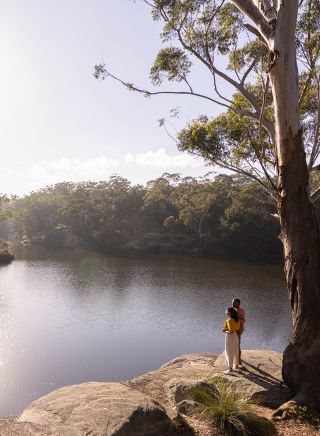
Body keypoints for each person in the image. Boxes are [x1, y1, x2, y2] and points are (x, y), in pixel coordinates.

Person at [223, 307, 240, 374]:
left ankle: (230, 370)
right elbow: (236, 328)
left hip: (230, 337)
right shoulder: (237, 319)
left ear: (230, 313)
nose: (226, 313)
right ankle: (236, 365)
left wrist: (224, 331)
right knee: (236, 350)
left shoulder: (230, 320)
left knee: (229, 352)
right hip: (235, 336)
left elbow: (231, 331)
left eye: (227, 312)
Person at [232, 298, 246, 367]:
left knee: (237, 345)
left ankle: (238, 361)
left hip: (238, 330)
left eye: (234, 302)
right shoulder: (232, 310)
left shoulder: (241, 311)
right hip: (232, 330)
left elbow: (243, 320)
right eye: (232, 302)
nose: (232, 304)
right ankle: (235, 359)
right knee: (232, 345)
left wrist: (238, 319)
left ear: (238, 304)